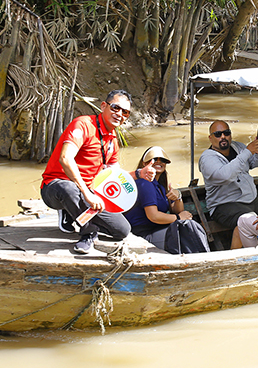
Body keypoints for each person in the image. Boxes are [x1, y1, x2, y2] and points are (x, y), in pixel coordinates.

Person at [40, 89, 133, 254]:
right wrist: (87, 193)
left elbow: (115, 174)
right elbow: (65, 158)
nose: (120, 114)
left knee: (122, 231)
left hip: (87, 191)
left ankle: (72, 212)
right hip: (56, 187)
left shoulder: (113, 141)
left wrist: (138, 176)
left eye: (125, 112)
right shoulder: (83, 124)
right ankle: (88, 233)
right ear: (103, 106)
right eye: (115, 108)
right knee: (68, 189)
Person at [198, 120, 258, 230]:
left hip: (251, 199)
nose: (223, 137)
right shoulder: (207, 158)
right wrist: (248, 151)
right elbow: (225, 176)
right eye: (218, 134)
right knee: (251, 221)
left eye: (226, 133)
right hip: (225, 205)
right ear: (210, 138)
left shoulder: (237, 146)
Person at [124, 146, 209, 254]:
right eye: (154, 159)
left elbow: (177, 210)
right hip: (143, 235)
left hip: (157, 230)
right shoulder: (144, 183)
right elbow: (153, 216)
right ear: (145, 164)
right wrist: (178, 217)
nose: (159, 162)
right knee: (187, 228)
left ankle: (201, 258)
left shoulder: (160, 186)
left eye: (163, 160)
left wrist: (178, 197)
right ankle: (201, 260)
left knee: (190, 226)